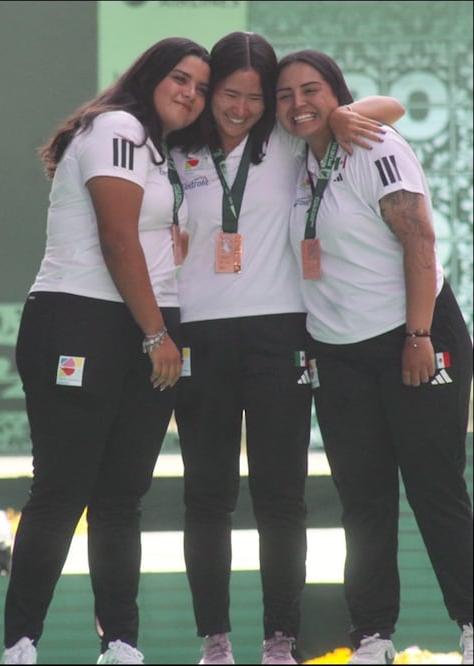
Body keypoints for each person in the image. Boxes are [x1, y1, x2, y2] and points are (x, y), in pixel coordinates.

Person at [167, 32, 406, 665]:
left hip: (281, 336)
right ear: (210, 90)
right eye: (228, 94)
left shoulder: (290, 138)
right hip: (202, 337)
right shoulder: (178, 146)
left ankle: (280, 638)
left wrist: (353, 113)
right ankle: (214, 640)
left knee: (281, 497)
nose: (240, 108)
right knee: (207, 496)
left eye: (253, 97)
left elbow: (392, 110)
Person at [1, 37, 210, 665]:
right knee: (61, 491)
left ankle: (120, 644)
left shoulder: (162, 149)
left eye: (201, 87)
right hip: (81, 320)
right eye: (180, 78)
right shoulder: (117, 126)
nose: (191, 94)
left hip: (144, 328)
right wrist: (156, 334)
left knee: (121, 499)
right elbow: (118, 237)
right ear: (147, 76)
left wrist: (154, 332)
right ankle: (19, 645)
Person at [275, 50, 473, 665]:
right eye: (284, 95)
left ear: (338, 94)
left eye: (312, 90)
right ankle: (372, 636)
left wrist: (417, 336)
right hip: (337, 353)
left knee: (435, 488)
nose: (298, 103)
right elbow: (377, 105)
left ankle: (470, 624)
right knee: (362, 500)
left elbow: (419, 237)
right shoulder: (291, 158)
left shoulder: (371, 144)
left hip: (414, 335)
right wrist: (331, 118)